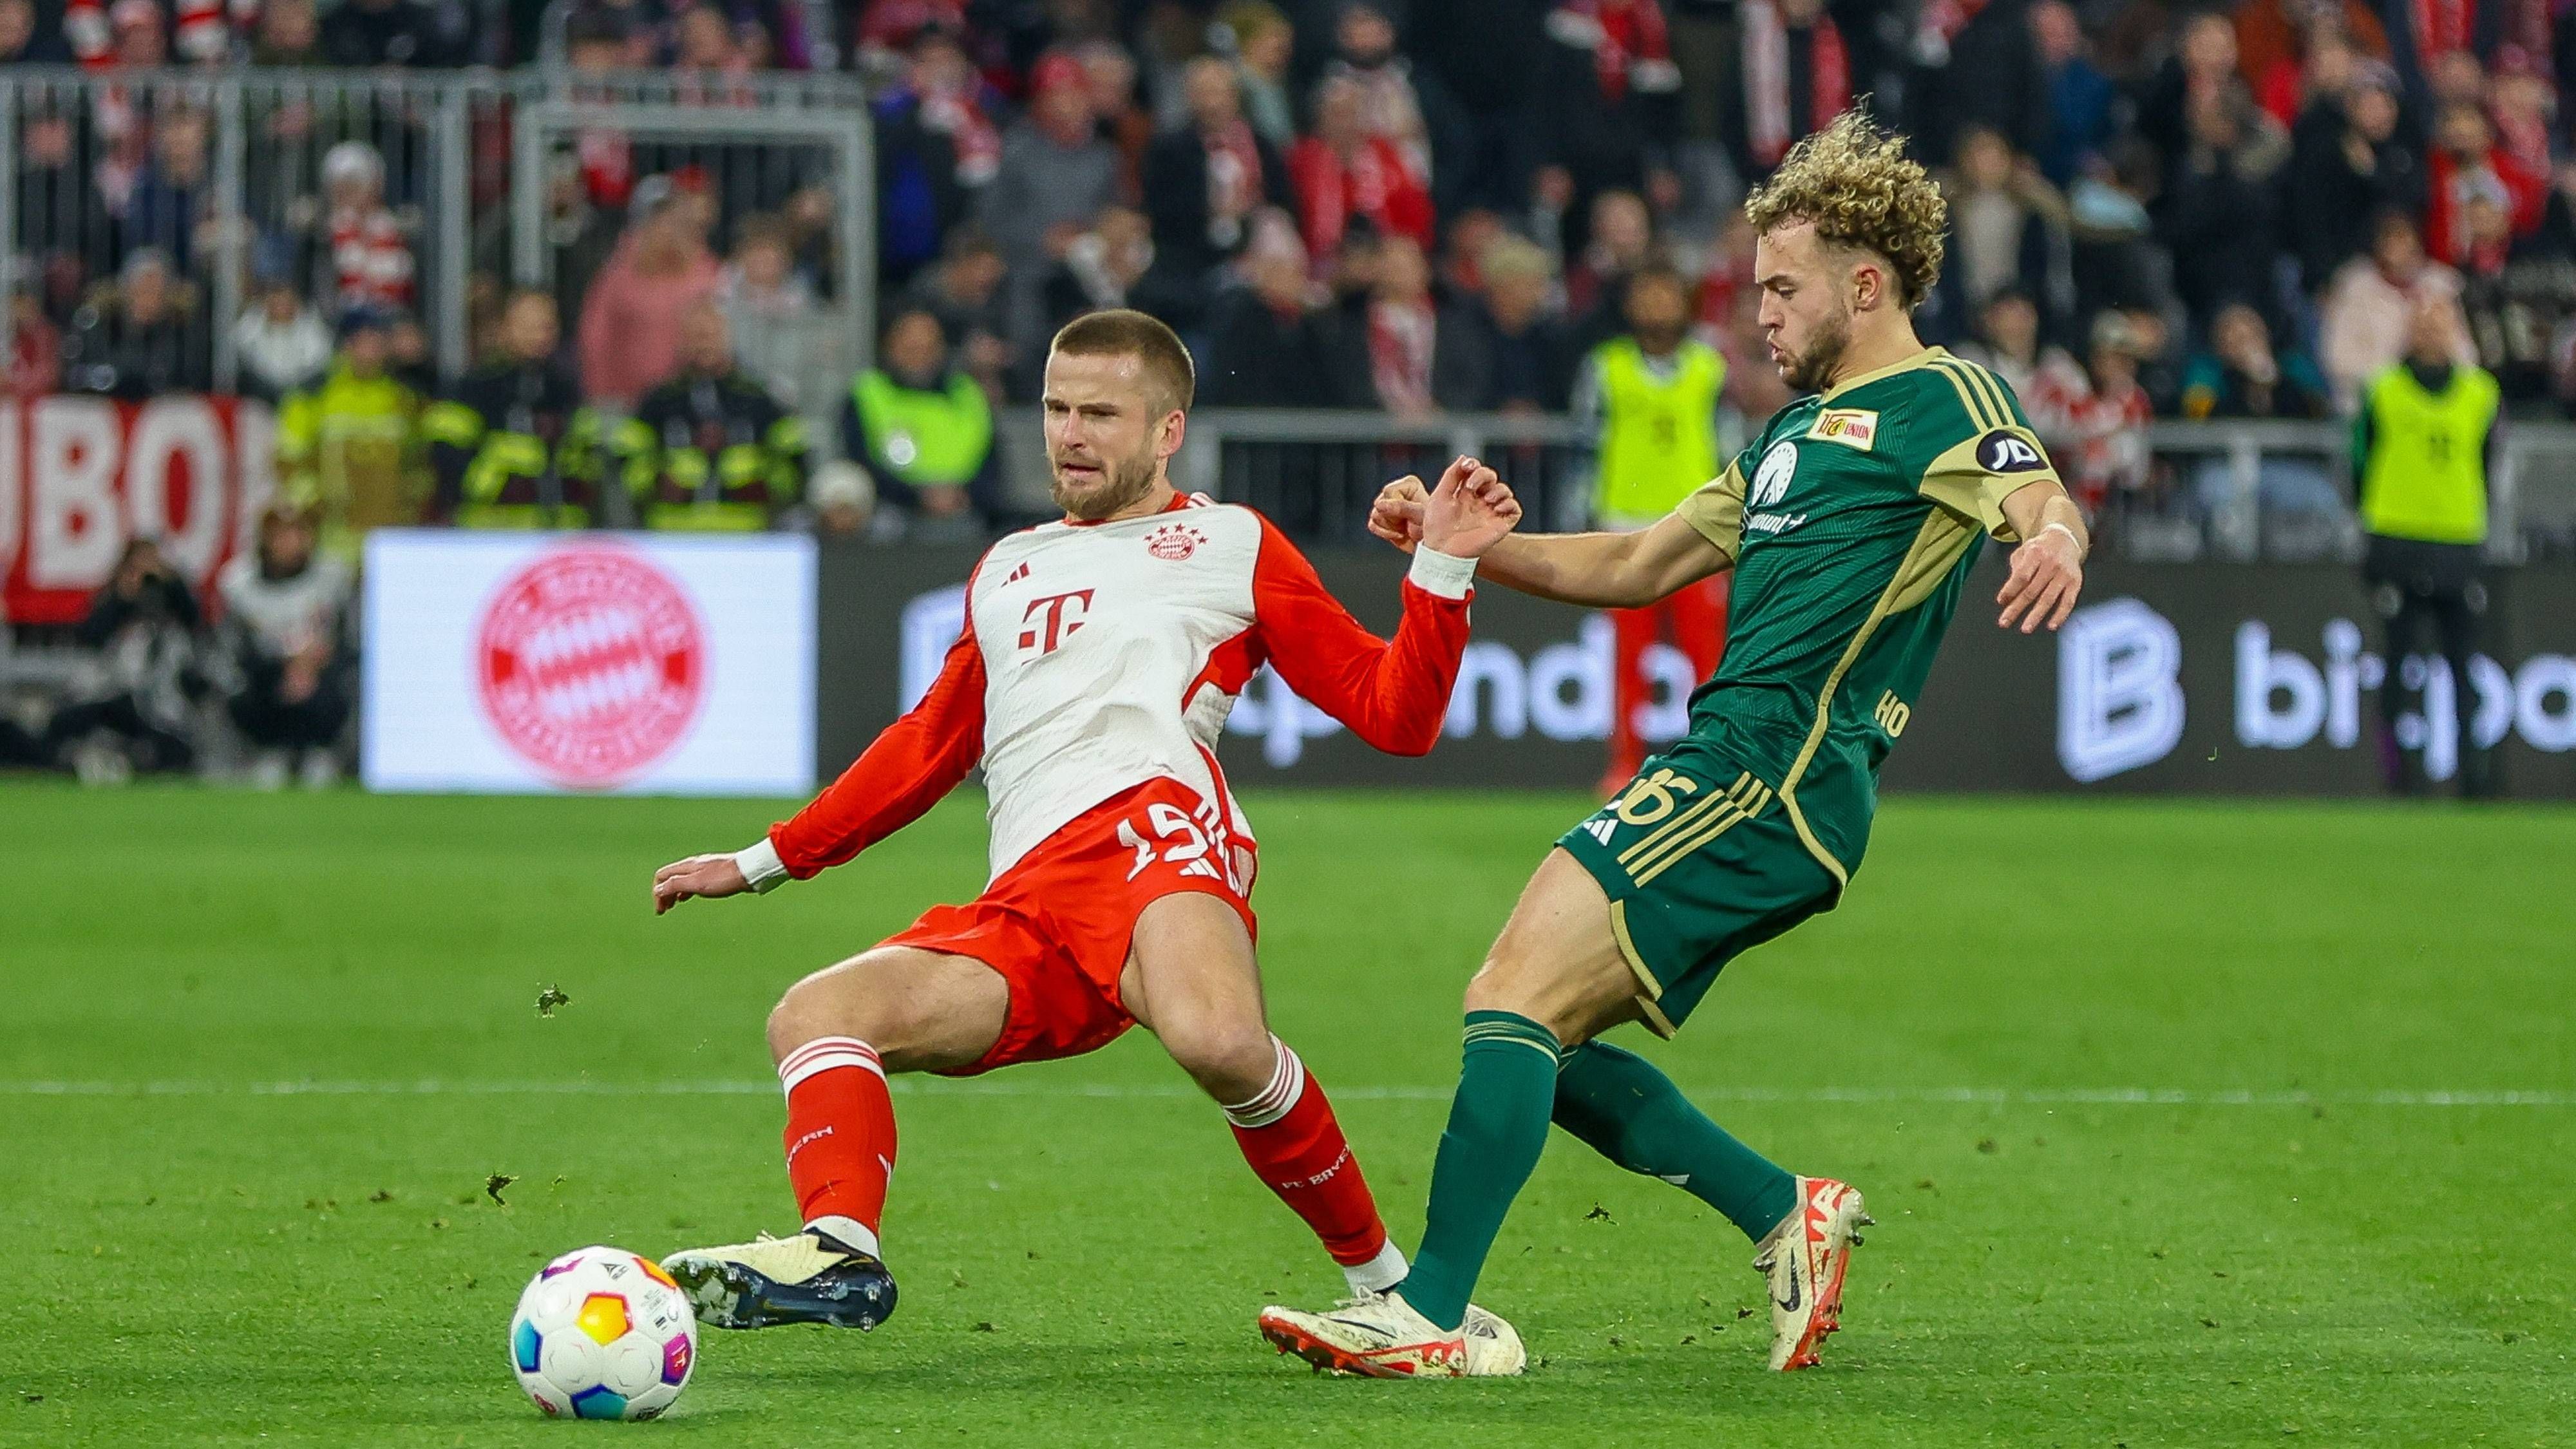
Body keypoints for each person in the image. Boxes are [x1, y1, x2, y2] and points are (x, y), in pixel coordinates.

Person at [1258, 110, 2089, 1378]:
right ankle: (1780, 1212)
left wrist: (2047, 540)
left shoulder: (1937, 396)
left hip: (1769, 773)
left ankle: (1427, 1314)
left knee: (1504, 997)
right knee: (1547, 1041)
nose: (1753, 312)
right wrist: (1458, 545)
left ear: (1862, 286)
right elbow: (1638, 562)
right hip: (1726, 769)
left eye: (1777, 287)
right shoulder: (1781, 442)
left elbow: (2029, 487)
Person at [647, 309, 1528, 1367]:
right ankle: (837, 1252)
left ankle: (1395, 1293)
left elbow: (1397, 715)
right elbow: (925, 746)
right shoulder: (1008, 565)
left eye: (1100, 413)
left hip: (1153, 835)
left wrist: (1441, 574)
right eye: (1058, 408)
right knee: (816, 1014)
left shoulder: (1231, 542)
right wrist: (761, 862)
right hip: (1026, 903)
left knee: (1217, 1041)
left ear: (1166, 432)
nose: (1069, 433)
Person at [1574, 261, 1727, 795]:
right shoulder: (1606, 367)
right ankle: (1624, 765)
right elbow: (1583, 445)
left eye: (1666, 294)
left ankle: (1716, 761)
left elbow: (1730, 447)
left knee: (1707, 658)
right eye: (1647, 294)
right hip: (1624, 530)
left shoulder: (1711, 368)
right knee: (1627, 661)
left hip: (1697, 530)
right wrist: (1580, 520)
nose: (1657, 306)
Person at [2353, 296, 2499, 797]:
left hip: (2457, 540)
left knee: (2463, 664)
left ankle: (2474, 777)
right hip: (2397, 538)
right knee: (2398, 662)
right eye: (2422, 324)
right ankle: (2401, 778)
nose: (2431, 334)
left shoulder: (2481, 392)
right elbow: (2361, 459)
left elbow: (2488, 461)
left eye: (2440, 324)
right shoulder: (2385, 389)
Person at [615, 303, 808, 531]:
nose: (705, 342)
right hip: (671, 535)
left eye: (712, 334)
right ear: (682, 341)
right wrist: (658, 484)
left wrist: (765, 486)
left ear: (728, 338)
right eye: (697, 335)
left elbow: (794, 460)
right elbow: (628, 458)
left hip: (746, 538)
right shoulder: (659, 401)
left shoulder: (758, 399)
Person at [423, 289, 604, 529]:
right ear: (504, 328)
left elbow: (590, 462)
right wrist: (504, 484)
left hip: (559, 539)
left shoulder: (566, 391)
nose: (538, 336)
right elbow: (448, 462)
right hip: (491, 538)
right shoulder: (472, 390)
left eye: (546, 327)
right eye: (527, 326)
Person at [43, 538, 206, 782]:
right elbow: (92, 638)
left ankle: (134, 762)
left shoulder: (172, 601)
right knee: (64, 724)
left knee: (173, 745)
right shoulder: (113, 599)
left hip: (158, 699)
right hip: (110, 693)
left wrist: (171, 584)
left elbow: (194, 621)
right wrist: (122, 597)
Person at [216, 500, 352, 790]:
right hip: (265, 676)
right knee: (242, 684)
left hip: (320, 674)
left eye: (298, 533)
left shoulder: (334, 579)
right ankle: (269, 750)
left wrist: (312, 663)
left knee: (343, 683)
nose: (291, 542)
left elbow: (347, 638)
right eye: (281, 534)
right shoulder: (238, 583)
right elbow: (234, 648)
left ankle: (320, 751)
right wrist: (283, 665)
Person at [274, 308, 426, 562]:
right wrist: (316, 506)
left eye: (379, 341)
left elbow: (418, 463)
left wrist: (409, 511)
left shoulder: (404, 398)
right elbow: (289, 461)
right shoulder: (313, 396)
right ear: (347, 344)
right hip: (332, 538)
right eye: (365, 341)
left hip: (390, 537)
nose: (373, 349)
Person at [840, 307, 998, 528]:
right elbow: (859, 461)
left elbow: (991, 461)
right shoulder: (867, 392)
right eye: (911, 349)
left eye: (928, 349)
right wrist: (918, 497)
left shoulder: (968, 394)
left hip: (963, 509)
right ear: (890, 347)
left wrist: (962, 496)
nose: (920, 358)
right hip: (890, 508)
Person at [575, 175, 723, 409]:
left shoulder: (707, 274)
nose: (666, 229)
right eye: (656, 219)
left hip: (688, 405)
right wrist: (601, 395)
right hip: (626, 402)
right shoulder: (617, 277)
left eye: (673, 219)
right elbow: (596, 339)